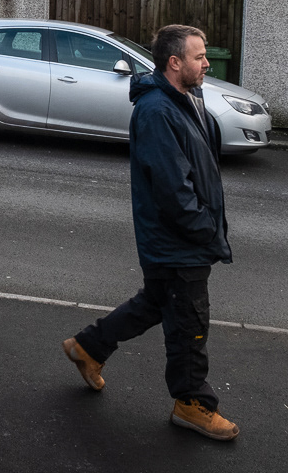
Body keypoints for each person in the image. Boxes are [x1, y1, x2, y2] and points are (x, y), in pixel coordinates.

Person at [62, 24, 238, 441]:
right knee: (189, 325)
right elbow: (172, 188)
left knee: (157, 303)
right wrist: (206, 230)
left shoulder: (185, 100)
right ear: (174, 63)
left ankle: (89, 347)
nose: (207, 63)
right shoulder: (158, 110)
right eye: (199, 57)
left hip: (178, 241)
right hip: (178, 242)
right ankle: (192, 403)